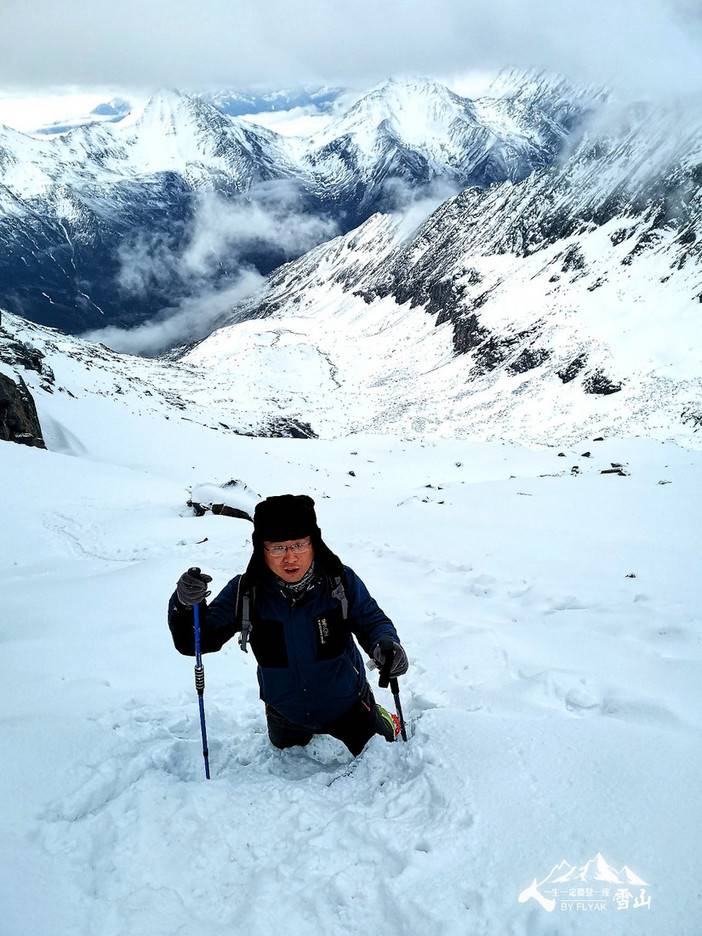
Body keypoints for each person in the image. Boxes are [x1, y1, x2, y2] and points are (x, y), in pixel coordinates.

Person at [168, 494, 409, 756]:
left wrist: (386, 645)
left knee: (381, 744)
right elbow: (194, 642)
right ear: (261, 550)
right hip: (285, 711)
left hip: (347, 704)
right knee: (284, 749)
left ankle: (380, 715)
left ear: (314, 544)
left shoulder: (339, 581)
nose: (290, 557)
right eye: (278, 548)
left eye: (299, 545)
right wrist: (184, 605)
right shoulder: (246, 592)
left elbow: (371, 619)